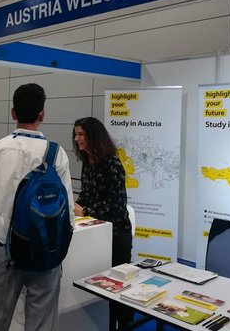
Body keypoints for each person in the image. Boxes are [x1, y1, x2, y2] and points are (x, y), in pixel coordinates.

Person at [0, 83, 75, 331]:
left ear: (13, 113)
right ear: (42, 114)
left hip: (6, 250)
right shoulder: (56, 153)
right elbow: (69, 216)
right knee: (40, 324)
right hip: (46, 250)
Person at [72, 116, 133, 329]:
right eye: (76, 134)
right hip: (98, 236)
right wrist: (75, 207)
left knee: (118, 290)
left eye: (81, 134)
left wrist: (85, 210)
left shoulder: (112, 164)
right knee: (101, 288)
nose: (77, 138)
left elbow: (117, 206)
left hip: (117, 237)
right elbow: (87, 196)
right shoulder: (88, 163)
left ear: (93, 136)